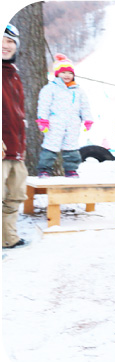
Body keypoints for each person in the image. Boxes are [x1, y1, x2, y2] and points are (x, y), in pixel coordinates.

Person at [36, 53, 93, 178]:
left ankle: (71, 170)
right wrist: (43, 120)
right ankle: (44, 169)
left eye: (70, 73)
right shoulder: (50, 88)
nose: (67, 75)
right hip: (55, 123)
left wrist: (87, 119)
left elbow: (85, 106)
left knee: (71, 148)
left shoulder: (78, 90)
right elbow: (44, 105)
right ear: (57, 74)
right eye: (64, 73)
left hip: (73, 123)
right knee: (50, 147)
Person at [2, 23, 28, 249]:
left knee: (14, 197)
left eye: (10, 41)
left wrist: (22, 146)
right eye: (2, 39)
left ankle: (8, 238)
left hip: (16, 149)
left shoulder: (14, 74)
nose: (5, 45)